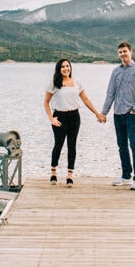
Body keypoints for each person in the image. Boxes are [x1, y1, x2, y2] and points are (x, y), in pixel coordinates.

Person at [43, 58, 106, 187]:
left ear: (70, 68)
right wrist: (51, 118)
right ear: (58, 69)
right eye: (63, 67)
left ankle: (70, 175)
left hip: (74, 117)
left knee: (72, 145)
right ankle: (53, 172)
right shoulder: (54, 83)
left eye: (67, 66)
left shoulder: (77, 82)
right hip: (59, 117)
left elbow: (86, 99)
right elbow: (46, 102)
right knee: (58, 145)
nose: (66, 68)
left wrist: (97, 113)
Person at [101, 41, 135, 190]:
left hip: (131, 114)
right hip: (118, 113)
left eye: (125, 51)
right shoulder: (116, 71)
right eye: (120, 52)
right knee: (122, 146)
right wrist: (104, 112)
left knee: (134, 144)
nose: (122, 54)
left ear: (131, 52)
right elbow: (110, 93)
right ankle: (126, 175)